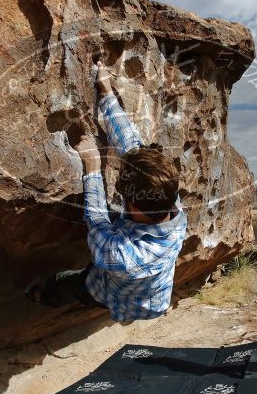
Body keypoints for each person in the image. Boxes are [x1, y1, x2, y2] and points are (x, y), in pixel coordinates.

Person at [26, 61, 187, 322]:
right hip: (152, 291)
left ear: (132, 206)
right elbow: (131, 146)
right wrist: (107, 93)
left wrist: (93, 166)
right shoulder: (172, 204)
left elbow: (97, 219)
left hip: (114, 295)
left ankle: (37, 296)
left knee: (67, 285)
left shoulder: (120, 255)